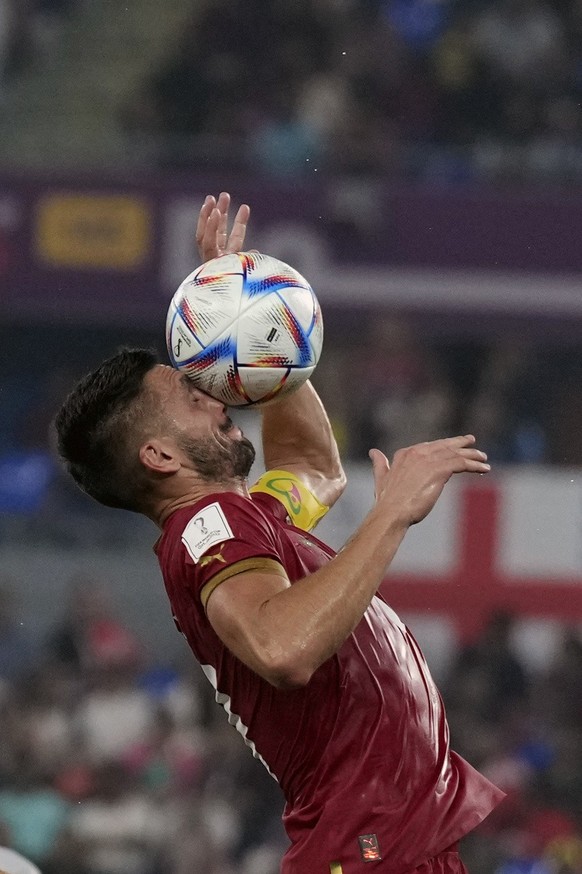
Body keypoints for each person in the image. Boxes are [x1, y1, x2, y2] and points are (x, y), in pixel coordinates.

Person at [53, 192, 504, 874]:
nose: (213, 389)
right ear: (159, 457)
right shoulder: (211, 525)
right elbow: (283, 646)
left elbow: (315, 467)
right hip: (367, 851)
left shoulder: (241, 521)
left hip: (381, 848)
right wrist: (392, 516)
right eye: (190, 393)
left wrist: (254, 325)